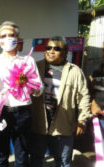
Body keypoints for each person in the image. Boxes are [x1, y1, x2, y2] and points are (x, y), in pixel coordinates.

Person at [0, 21, 43, 167]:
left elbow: (39, 88)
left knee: (22, 155)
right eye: (4, 36)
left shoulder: (28, 61)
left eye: (12, 35)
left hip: (23, 112)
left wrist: (30, 85)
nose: (8, 38)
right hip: (1, 112)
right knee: (1, 154)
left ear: (18, 38)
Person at [29, 36, 93, 167]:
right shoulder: (35, 67)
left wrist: (82, 120)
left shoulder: (75, 71)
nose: (51, 51)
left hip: (63, 124)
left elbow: (83, 97)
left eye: (56, 48)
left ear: (64, 52)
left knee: (63, 162)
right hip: (39, 122)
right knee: (36, 159)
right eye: (49, 47)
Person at [89, 42, 104, 155]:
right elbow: (90, 89)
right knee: (100, 150)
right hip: (98, 117)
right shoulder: (97, 69)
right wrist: (92, 103)